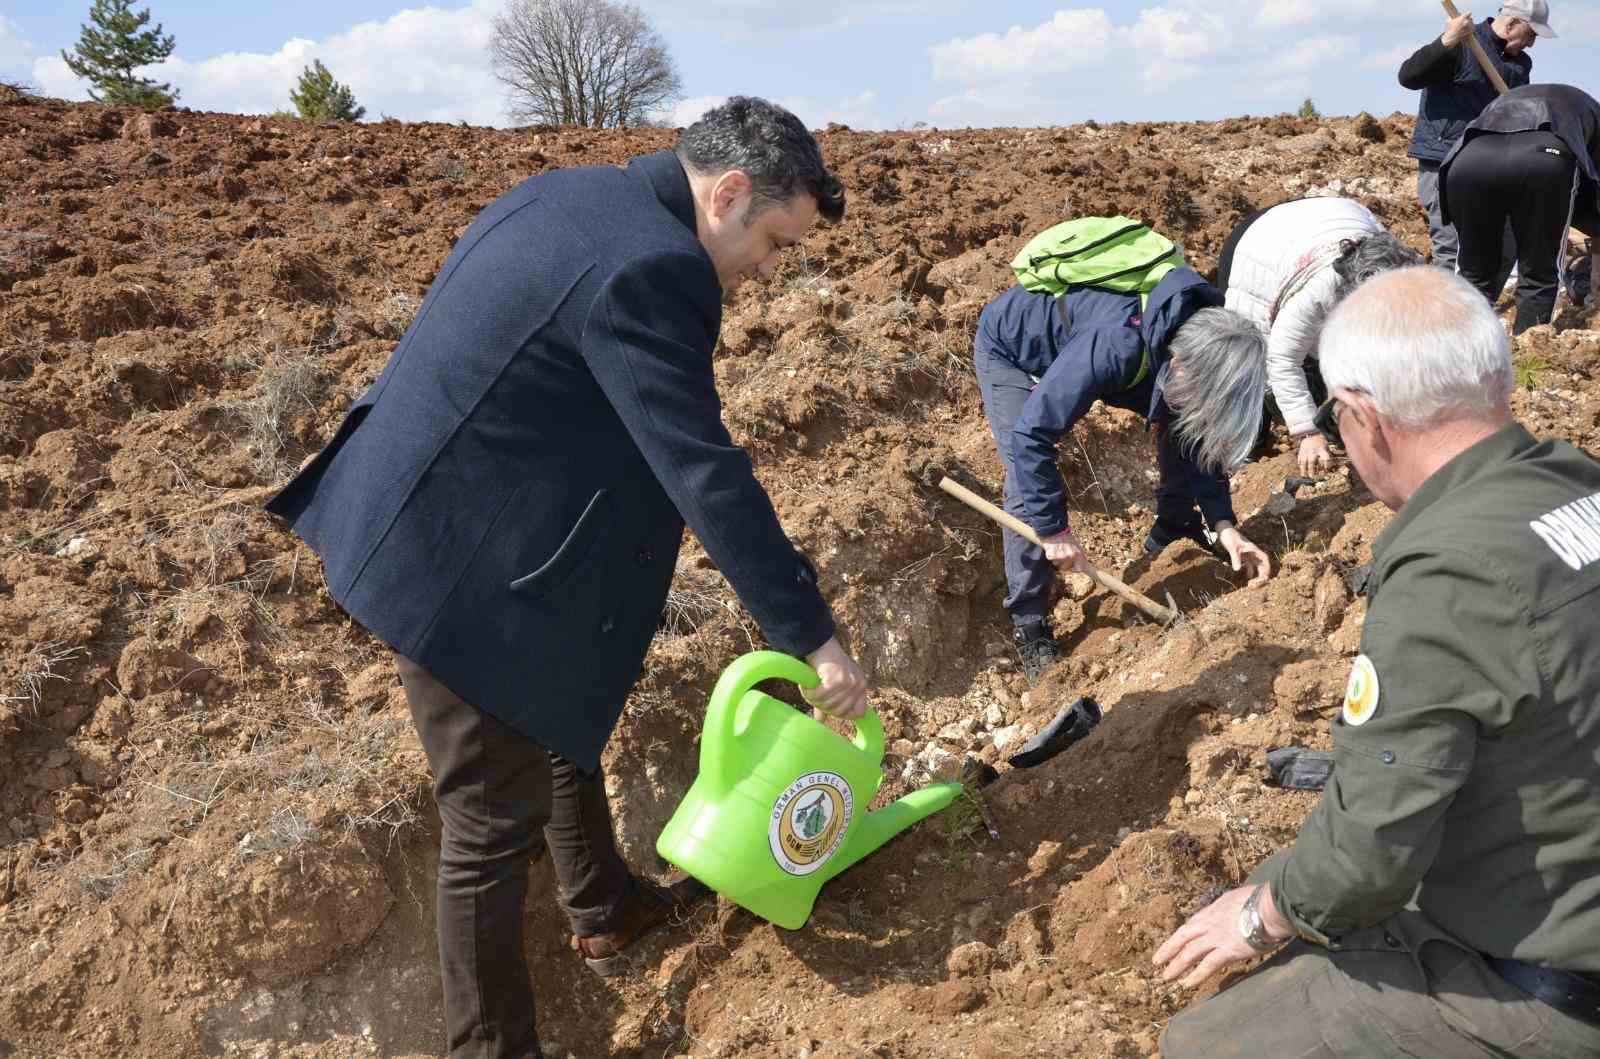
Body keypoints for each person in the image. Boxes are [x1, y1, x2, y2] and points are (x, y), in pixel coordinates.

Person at [264, 97, 871, 1059]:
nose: (768, 269)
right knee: (485, 824)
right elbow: (702, 467)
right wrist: (810, 633)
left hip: (445, 506)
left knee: (555, 698)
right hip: (452, 564)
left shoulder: (576, 194)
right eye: (774, 242)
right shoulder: (654, 267)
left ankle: (602, 904)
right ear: (727, 194)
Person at [1154, 266, 1600, 1058]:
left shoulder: (1449, 573)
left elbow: (1370, 853)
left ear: (1362, 417)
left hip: (1549, 991)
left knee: (1204, 1042)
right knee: (1287, 875)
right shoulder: (1575, 485)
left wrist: (1258, 919)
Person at [973, 261, 1273, 681]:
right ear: (1183, 367)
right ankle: (1030, 624)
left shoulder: (1196, 337)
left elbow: (1195, 434)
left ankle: (1173, 531)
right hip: (1014, 347)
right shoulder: (1117, 344)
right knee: (1026, 483)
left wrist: (1224, 525)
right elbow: (1031, 437)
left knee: (1180, 421)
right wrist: (1053, 530)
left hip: (1090, 348)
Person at [1218, 196, 1421, 476]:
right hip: (1260, 243)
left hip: (1328, 215)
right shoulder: (1320, 289)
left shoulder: (1404, 280)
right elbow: (1283, 359)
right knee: (1255, 363)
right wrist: (1306, 432)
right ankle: (1249, 446)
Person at [1397, 1, 1550, 274]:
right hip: (1444, 160)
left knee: (1507, 243)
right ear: (1512, 24)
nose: (1532, 44)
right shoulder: (1462, 44)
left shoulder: (1521, 64)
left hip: (1491, 163)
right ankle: (1446, 312)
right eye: (1531, 35)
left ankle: (1483, 303)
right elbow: (1408, 76)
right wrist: (1447, 41)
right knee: (1451, 246)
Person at [1441, 82, 1600, 332]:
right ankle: (1529, 354)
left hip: (1468, 159)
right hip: (1543, 157)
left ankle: (1457, 349)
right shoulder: (1591, 113)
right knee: (1539, 272)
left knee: (1474, 275)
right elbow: (1594, 197)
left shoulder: (1506, 103)